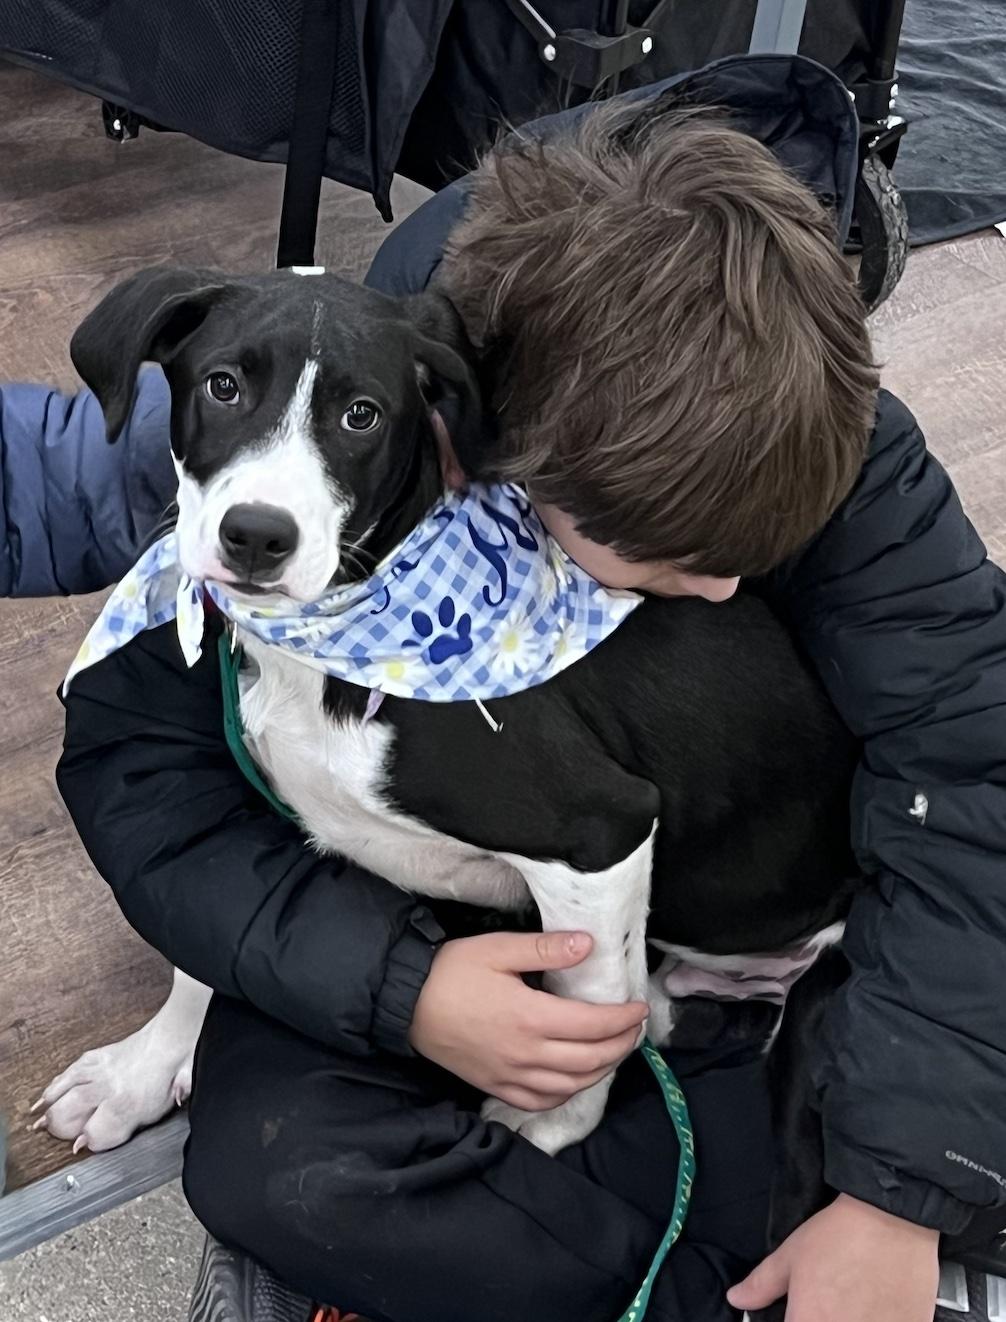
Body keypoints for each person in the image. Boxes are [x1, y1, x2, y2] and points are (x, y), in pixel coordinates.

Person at [5, 56, 1005, 1322]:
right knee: (279, 1176)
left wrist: (894, 1191)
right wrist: (399, 991)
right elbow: (153, 780)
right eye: (670, 563)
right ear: (496, 461)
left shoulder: (822, 423)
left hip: (797, 903)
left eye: (742, 567)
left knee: (924, 1099)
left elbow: (974, 764)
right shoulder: (293, 444)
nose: (707, 594)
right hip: (488, 911)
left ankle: (818, 1229)